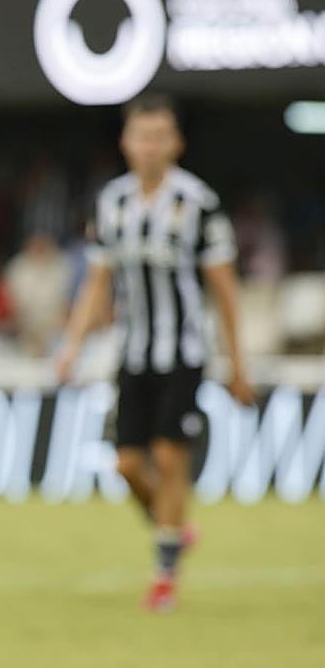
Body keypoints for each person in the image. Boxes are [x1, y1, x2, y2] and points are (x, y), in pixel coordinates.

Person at [56, 94, 254, 612]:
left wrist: (238, 364)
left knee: (169, 457)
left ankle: (164, 574)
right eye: (141, 136)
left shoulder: (199, 203)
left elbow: (224, 289)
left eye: (159, 136)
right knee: (125, 464)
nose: (149, 146)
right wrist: (72, 346)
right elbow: (98, 282)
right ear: (126, 142)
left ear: (176, 143)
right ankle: (173, 531)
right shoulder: (112, 202)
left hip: (184, 352)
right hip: (133, 352)